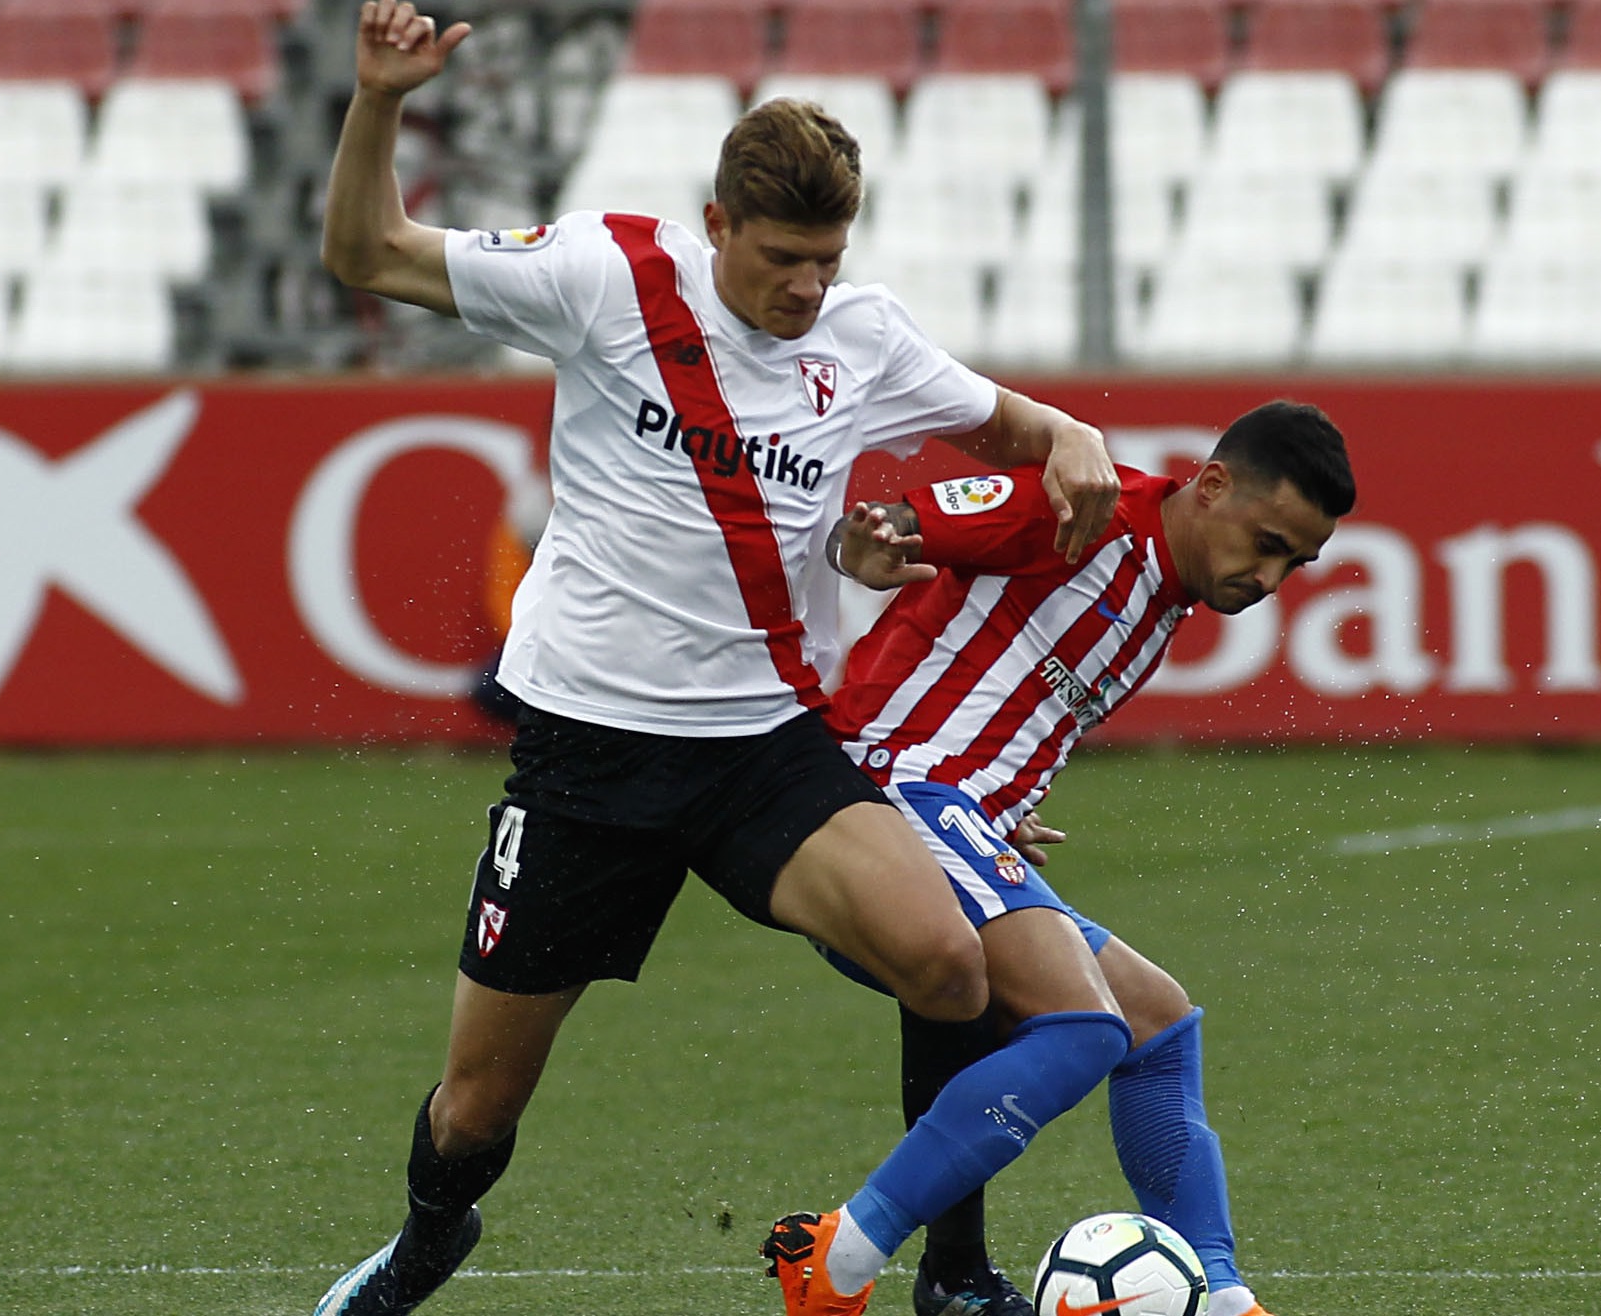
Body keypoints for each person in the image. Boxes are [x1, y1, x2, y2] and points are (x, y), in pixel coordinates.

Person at [310, 6, 1122, 1315]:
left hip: (761, 748)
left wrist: (1071, 435)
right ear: (716, 226)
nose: (806, 286)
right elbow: (364, 249)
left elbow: (1018, 427)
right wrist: (377, 103)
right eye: (785, 258)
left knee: (949, 965)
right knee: (476, 1104)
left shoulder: (861, 337)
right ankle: (422, 1244)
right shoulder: (603, 276)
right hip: (586, 753)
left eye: (828, 258)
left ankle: (953, 1276)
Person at [760, 402, 1354, 1316]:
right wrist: (865, 549)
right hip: (889, 792)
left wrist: (999, 803)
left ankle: (1222, 1295)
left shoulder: (1164, 589)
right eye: (1266, 541)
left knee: (1158, 1023)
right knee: (1085, 1027)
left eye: (1296, 562)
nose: (1270, 577)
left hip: (958, 813)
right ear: (1212, 485)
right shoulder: (1084, 507)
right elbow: (891, 529)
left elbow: (1001, 683)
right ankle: (841, 1254)